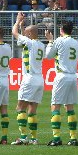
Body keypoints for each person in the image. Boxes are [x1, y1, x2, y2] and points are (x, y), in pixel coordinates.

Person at [11, 13, 45, 145]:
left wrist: (17, 21)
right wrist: (22, 26)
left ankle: (24, 136)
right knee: (32, 109)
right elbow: (23, 39)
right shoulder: (41, 45)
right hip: (39, 79)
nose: (24, 34)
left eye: (26, 33)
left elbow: (14, 32)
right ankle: (34, 138)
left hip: (29, 78)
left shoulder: (30, 43)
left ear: (30, 35)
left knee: (20, 108)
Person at [45, 21, 78, 146]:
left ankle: (57, 138)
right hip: (73, 76)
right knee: (70, 108)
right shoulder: (75, 42)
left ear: (61, 30)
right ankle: (73, 138)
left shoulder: (59, 40)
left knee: (55, 106)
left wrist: (50, 41)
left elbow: (48, 56)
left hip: (62, 75)